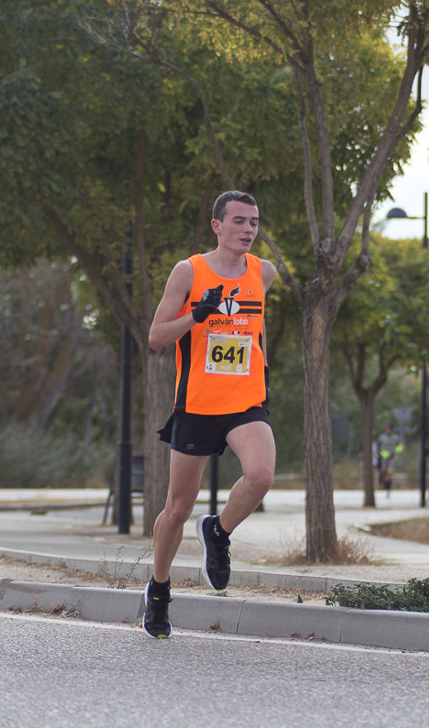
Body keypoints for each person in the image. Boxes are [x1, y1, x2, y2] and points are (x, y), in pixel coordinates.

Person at [141, 190, 277, 639]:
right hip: (198, 404)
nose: (248, 229)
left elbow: (253, 331)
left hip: (246, 401)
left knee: (261, 476)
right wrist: (196, 316)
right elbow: (156, 337)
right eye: (239, 221)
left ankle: (217, 532)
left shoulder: (264, 272)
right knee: (178, 508)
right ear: (217, 226)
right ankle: (159, 591)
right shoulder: (189, 271)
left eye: (254, 222)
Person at [376, 423, 402, 495]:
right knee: (383, 471)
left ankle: (388, 486)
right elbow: (378, 446)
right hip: (383, 457)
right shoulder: (382, 437)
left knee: (390, 472)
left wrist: (396, 452)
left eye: (389, 429)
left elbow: (400, 446)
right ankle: (383, 484)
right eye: (386, 429)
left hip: (391, 457)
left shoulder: (395, 438)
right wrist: (379, 453)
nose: (388, 431)